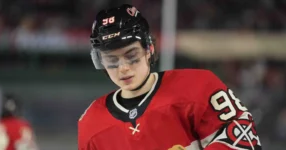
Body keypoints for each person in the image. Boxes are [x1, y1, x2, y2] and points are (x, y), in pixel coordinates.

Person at [78, 4, 262, 150]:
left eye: (131, 55)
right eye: (111, 60)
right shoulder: (91, 123)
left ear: (149, 49)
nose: (123, 68)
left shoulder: (199, 86)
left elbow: (245, 140)